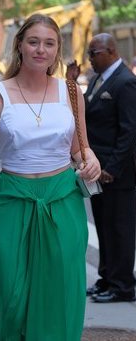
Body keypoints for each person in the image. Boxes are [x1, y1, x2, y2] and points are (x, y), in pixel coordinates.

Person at [0, 14, 100, 341]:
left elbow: (79, 149)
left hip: (62, 202)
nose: (41, 49)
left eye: (49, 43)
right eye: (34, 42)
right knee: (11, 300)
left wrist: (89, 158)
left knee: (61, 295)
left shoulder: (71, 91)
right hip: (12, 202)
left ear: (57, 50)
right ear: (20, 45)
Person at [82, 33, 136, 302]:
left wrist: (112, 168)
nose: (90, 59)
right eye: (89, 53)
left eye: (94, 53)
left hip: (118, 174)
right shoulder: (96, 80)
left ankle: (123, 285)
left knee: (120, 229)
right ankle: (107, 278)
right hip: (98, 171)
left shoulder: (126, 82)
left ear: (112, 51)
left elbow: (129, 132)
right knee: (104, 226)